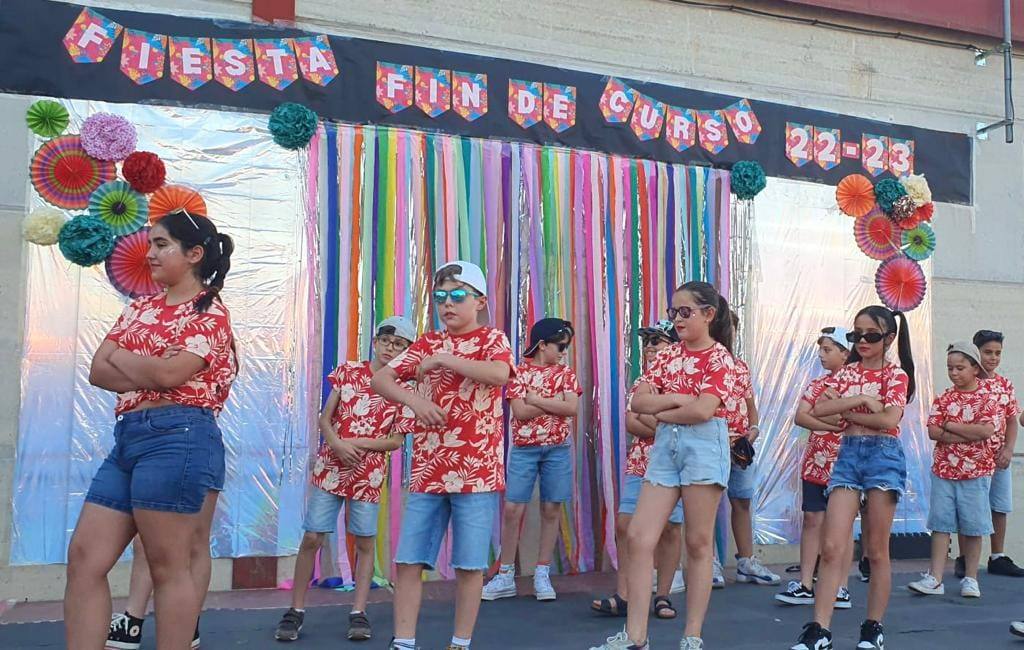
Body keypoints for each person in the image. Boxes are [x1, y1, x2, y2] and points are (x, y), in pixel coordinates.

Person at [67, 211, 237, 650]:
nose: (150, 254)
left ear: (194, 254)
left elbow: (170, 374)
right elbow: (97, 371)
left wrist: (127, 360)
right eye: (150, 244)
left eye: (161, 244)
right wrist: (153, 366)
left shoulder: (210, 311)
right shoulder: (140, 307)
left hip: (179, 435)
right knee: (85, 557)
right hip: (128, 436)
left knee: (167, 565)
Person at [372, 260, 514, 650]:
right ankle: (403, 641)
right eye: (440, 297)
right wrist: (415, 402)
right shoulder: (428, 342)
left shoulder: (492, 339)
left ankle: (460, 642)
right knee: (408, 561)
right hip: (428, 471)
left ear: (480, 301)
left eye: (457, 295)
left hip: (476, 473)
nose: (447, 304)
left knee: (470, 565)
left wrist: (446, 360)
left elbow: (500, 375)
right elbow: (381, 378)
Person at [590, 281, 735, 650]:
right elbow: (638, 402)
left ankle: (692, 635)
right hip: (665, 447)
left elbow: (704, 410)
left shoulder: (720, 358)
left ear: (708, 314)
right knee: (639, 536)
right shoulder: (668, 356)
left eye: (685, 312)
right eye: (674, 312)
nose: (677, 319)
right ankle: (635, 635)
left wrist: (665, 407)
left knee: (698, 542)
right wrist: (679, 400)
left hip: (703, 446)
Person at [274, 316, 417, 642]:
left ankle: (359, 610)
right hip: (331, 466)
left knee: (364, 540)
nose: (390, 348)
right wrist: (337, 444)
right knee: (313, 536)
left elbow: (395, 441)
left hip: (367, 474)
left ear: (406, 352)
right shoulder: (349, 371)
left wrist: (359, 443)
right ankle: (295, 609)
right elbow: (326, 418)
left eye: (398, 345)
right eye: (385, 341)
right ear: (375, 342)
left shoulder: (405, 389)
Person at [791, 306, 914, 650]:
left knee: (876, 550)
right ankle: (819, 629)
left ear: (889, 338)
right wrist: (861, 401)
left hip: (883, 456)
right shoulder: (847, 373)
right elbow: (818, 409)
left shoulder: (896, 375)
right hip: (847, 454)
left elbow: (888, 420)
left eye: (870, 335)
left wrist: (845, 409)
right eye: (856, 334)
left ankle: (873, 627)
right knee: (831, 546)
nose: (862, 341)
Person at [590, 321, 685, 621]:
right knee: (625, 524)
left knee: (671, 528)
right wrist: (661, 422)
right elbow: (633, 423)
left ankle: (663, 595)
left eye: (657, 341)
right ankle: (625, 595)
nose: (650, 348)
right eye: (647, 343)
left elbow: (679, 425)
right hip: (640, 461)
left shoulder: (684, 382)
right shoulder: (642, 382)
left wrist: (653, 418)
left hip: (674, 463)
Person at [482, 318, 581, 602]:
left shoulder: (566, 374)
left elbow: (571, 408)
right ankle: (505, 574)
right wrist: (554, 404)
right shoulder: (519, 373)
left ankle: (542, 572)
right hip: (525, 449)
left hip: (558, 449)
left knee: (551, 508)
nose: (564, 351)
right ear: (542, 345)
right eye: (560, 346)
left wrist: (536, 400)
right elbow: (520, 412)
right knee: (513, 509)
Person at [908, 342, 998, 599]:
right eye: (950, 368)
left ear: (975, 368)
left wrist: (951, 426)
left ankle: (971, 578)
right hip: (944, 471)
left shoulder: (986, 397)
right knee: (940, 524)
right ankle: (935, 577)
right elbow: (933, 431)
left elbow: (986, 430)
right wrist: (966, 433)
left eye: (960, 368)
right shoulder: (944, 397)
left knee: (974, 526)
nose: (954, 373)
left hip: (976, 472)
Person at [776, 327, 853, 609]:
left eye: (827, 350)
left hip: (844, 463)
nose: (821, 355)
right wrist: (830, 423)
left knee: (842, 525)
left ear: (845, 353)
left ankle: (841, 586)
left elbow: (848, 419)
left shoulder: (855, 384)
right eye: (820, 349)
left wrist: (825, 418)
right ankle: (806, 583)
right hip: (815, 462)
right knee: (812, 519)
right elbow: (801, 417)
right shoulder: (817, 384)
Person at [721, 311, 779, 588]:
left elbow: (750, 405)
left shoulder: (740, 367)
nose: (728, 333)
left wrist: (753, 429)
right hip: (712, 444)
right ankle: (708, 562)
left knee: (742, 500)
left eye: (732, 328)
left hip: (740, 446)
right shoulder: (702, 364)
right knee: (707, 504)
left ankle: (746, 561)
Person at [963, 330, 1024, 578]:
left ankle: (997, 555)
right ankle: (965, 557)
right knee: (970, 506)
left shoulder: (1004, 384)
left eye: (998, 353)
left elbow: (1011, 420)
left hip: (998, 456)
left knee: (999, 505)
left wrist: (1008, 449)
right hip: (972, 456)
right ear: (975, 352)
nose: (993, 358)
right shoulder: (966, 381)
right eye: (988, 352)